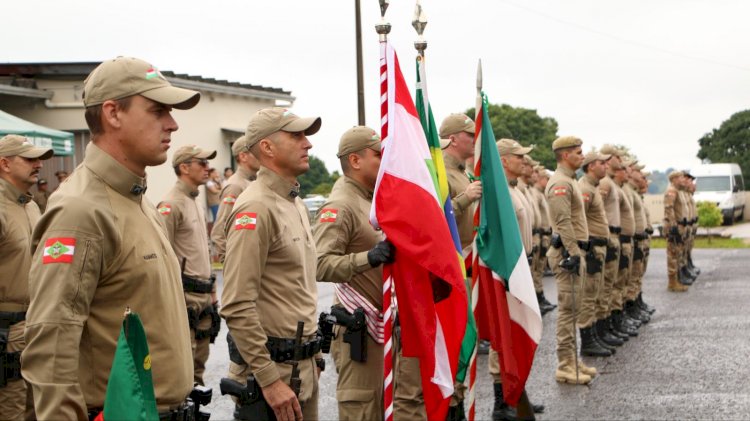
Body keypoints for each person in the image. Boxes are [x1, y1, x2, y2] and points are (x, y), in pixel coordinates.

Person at [22, 56, 199, 419]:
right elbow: (51, 344)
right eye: (158, 111)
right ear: (113, 114)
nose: (173, 124)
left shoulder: (137, 201)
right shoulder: (81, 210)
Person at [220, 107, 323, 421]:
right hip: (272, 375)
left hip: (300, 368)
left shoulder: (295, 204)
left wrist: (313, 355)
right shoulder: (256, 207)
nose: (308, 144)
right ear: (266, 147)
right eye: (296, 135)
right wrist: (269, 379)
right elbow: (237, 303)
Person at [313, 126, 391, 421]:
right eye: (378, 155)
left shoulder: (369, 200)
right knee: (363, 409)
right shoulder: (341, 205)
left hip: (379, 325)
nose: (385, 160)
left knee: (382, 405)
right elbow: (319, 264)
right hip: (358, 328)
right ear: (355, 161)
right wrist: (368, 258)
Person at [0, 135, 53, 420]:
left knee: (38, 411)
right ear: (5, 164)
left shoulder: (30, 206)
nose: (38, 164)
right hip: (7, 336)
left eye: (39, 158)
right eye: (30, 159)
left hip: (35, 328)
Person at [158, 144, 218, 386]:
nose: (208, 168)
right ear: (184, 167)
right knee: (182, 373)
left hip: (203, 297)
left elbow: (202, 249)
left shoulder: (193, 199)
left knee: (198, 370)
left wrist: (213, 293)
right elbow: (162, 256)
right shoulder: (171, 204)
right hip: (185, 297)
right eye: (202, 163)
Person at [438, 113, 480, 420]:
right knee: (456, 337)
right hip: (450, 267)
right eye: (469, 133)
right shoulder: (439, 171)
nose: (474, 138)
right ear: (453, 138)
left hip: (467, 263)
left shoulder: (464, 173)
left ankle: (459, 398)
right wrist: (465, 198)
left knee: (468, 336)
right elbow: (435, 216)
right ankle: (450, 405)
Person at [545, 136, 597, 385]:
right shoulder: (560, 184)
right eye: (577, 152)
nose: (582, 155)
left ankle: (572, 360)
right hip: (567, 254)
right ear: (565, 155)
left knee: (574, 308)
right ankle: (565, 365)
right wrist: (574, 252)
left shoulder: (569, 180)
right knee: (568, 311)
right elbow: (563, 222)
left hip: (574, 251)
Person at [577, 151, 616, 358]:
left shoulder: (593, 187)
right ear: (591, 166)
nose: (605, 167)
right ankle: (588, 340)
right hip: (591, 248)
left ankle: (597, 334)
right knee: (589, 295)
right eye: (602, 163)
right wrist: (587, 246)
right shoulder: (585, 188)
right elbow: (579, 218)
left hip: (599, 247)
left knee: (597, 292)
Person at [210, 135, 260, 263]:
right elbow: (219, 231)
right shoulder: (235, 186)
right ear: (243, 156)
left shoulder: (253, 181)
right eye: (256, 152)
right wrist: (231, 265)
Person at [532, 166, 557, 313]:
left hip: (543, 236)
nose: (548, 182)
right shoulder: (534, 193)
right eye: (546, 179)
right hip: (538, 235)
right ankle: (537, 299)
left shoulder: (540, 194)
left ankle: (540, 298)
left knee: (539, 269)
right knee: (535, 271)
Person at [664, 171, 689, 292]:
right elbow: (669, 208)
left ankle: (676, 280)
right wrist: (673, 226)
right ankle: (672, 282)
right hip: (675, 227)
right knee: (673, 255)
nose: (682, 179)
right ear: (673, 179)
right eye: (680, 177)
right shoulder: (672, 191)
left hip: (680, 226)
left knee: (678, 254)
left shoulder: (677, 191)